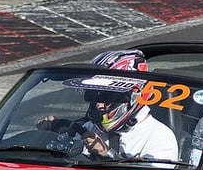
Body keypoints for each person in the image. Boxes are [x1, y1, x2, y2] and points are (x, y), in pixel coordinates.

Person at [38, 50, 179, 164]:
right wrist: (46, 134)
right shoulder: (85, 128)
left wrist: (108, 155)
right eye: (94, 95)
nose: (99, 104)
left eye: (108, 96)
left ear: (134, 94)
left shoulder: (159, 137)